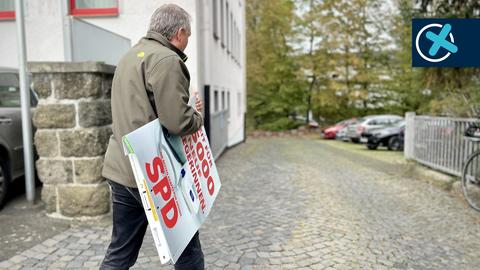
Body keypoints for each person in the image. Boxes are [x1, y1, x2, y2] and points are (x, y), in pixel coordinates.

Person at [100, 4, 204, 270]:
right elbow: (177, 121)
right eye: (188, 37)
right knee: (188, 250)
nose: (187, 43)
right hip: (155, 174)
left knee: (120, 252)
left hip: (122, 169)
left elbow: (143, 109)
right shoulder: (167, 60)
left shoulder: (130, 56)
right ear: (179, 32)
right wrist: (196, 116)